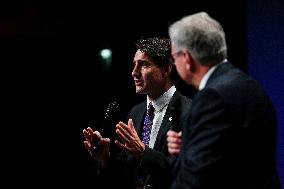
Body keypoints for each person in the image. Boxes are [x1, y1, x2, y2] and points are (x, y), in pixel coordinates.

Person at [167, 12, 281, 189]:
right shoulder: (249, 84)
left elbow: (195, 180)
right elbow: (237, 155)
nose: (174, 64)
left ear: (187, 59)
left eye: (174, 57)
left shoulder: (211, 98)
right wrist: (191, 144)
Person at [83, 37, 192, 189]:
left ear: (166, 69)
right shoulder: (136, 112)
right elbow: (129, 173)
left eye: (144, 65)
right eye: (134, 65)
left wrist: (143, 152)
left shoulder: (191, 112)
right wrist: (106, 158)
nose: (134, 72)